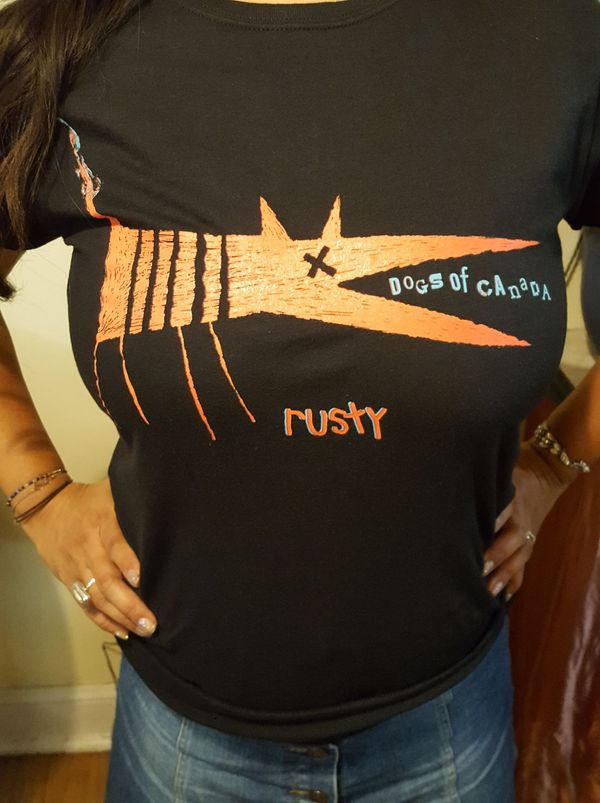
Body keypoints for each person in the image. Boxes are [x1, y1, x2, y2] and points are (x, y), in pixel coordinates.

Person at [0, 0, 599, 800]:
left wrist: (555, 463)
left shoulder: (556, 36)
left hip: (450, 731)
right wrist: (38, 494)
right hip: (185, 738)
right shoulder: (65, 43)